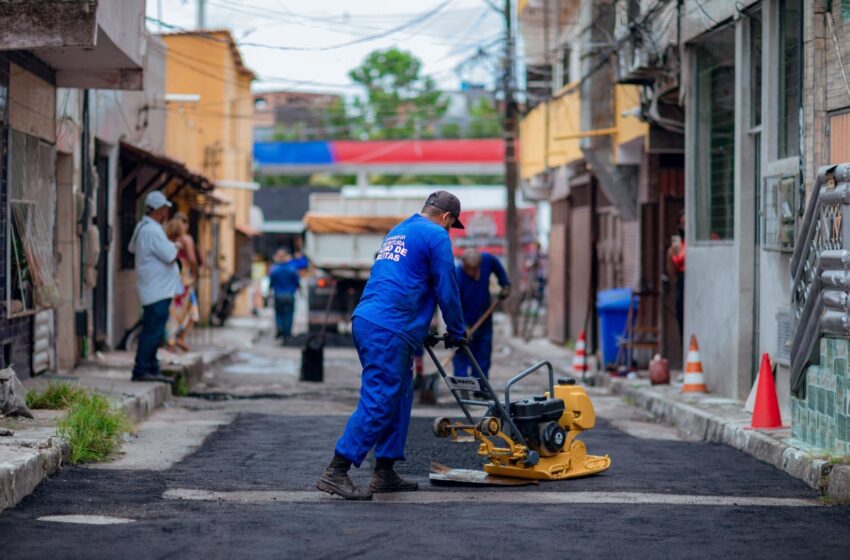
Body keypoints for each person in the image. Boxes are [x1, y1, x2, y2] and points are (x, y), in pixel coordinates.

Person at [317, 191, 467, 501]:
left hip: (372, 320)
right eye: (452, 225)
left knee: (399, 396)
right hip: (388, 326)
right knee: (382, 397)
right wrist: (457, 330)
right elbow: (446, 286)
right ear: (447, 218)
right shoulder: (437, 235)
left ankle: (384, 471)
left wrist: (418, 329)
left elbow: (402, 280)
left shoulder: (399, 230)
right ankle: (337, 470)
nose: (449, 230)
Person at [128, 191, 184, 383]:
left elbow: (132, 249)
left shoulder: (142, 227)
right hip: (157, 290)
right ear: (159, 211)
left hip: (153, 288)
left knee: (154, 330)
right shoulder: (152, 230)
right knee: (153, 331)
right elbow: (169, 255)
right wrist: (176, 247)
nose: (166, 214)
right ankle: (142, 369)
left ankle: (151, 368)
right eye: (164, 210)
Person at [452, 248, 510, 381]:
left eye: (478, 269)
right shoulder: (457, 276)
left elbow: (497, 266)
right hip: (464, 322)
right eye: (473, 270)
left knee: (483, 353)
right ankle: (463, 386)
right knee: (462, 353)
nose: (477, 273)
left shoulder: (487, 260)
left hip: (484, 318)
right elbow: (454, 306)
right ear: (465, 267)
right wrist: (462, 326)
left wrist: (505, 284)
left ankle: (481, 387)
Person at [164, 212, 200, 353]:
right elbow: (192, 259)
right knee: (191, 311)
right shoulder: (186, 239)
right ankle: (179, 338)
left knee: (173, 311)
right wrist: (194, 273)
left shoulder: (167, 239)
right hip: (183, 279)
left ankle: (172, 342)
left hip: (170, 279)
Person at [269, 249, 300, 341]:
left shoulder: (274, 269)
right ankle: (287, 333)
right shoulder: (292, 269)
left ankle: (280, 328)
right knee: (288, 314)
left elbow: (271, 283)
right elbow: (297, 282)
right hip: (289, 295)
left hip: (278, 295)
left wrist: (270, 292)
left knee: (279, 314)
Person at [666, 210, 686, 340]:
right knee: (681, 315)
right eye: (682, 224)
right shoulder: (678, 245)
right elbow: (673, 271)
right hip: (682, 280)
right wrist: (670, 256)